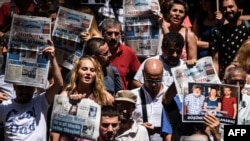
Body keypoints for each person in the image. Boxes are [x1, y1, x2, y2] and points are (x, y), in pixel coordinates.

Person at [0, 39, 64, 140]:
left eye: (28, 88)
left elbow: (59, 84)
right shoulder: (4, 106)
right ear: (14, 87)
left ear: (34, 88)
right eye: (21, 87)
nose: (24, 91)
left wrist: (52, 58)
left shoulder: (41, 102)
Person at [50, 56, 114, 141]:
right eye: (84, 69)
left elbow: (113, 122)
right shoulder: (65, 96)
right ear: (76, 72)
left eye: (92, 70)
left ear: (96, 74)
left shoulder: (105, 98)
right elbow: (55, 130)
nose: (88, 73)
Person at [131, 58, 171, 141]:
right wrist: (138, 127)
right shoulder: (133, 95)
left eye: (157, 80)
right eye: (149, 80)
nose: (153, 84)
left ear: (163, 74)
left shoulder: (170, 95)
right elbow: (123, 123)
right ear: (143, 74)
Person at [210, 0, 250, 80]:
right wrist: (216, 83)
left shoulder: (247, 28)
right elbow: (215, 60)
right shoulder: (217, 32)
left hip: (246, 79)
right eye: (224, 8)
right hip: (226, 79)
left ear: (239, 8)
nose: (228, 10)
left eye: (231, 7)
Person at [101, 18, 141, 90]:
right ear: (103, 34)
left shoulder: (128, 52)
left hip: (121, 98)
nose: (113, 37)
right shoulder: (96, 51)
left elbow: (139, 77)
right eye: (109, 33)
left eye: (116, 34)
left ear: (121, 34)